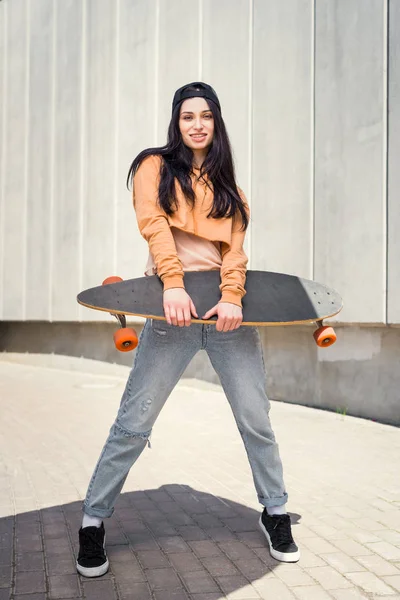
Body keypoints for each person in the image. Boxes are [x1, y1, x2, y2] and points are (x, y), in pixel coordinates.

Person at [76, 82, 299, 578]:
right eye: (186, 116)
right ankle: (93, 520)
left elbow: (234, 255)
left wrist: (233, 298)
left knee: (255, 420)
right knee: (133, 423)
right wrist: (172, 286)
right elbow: (154, 226)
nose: (196, 124)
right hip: (170, 315)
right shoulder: (153, 168)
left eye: (206, 116)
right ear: (176, 123)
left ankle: (276, 511)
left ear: (216, 123)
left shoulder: (232, 192)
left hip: (228, 320)